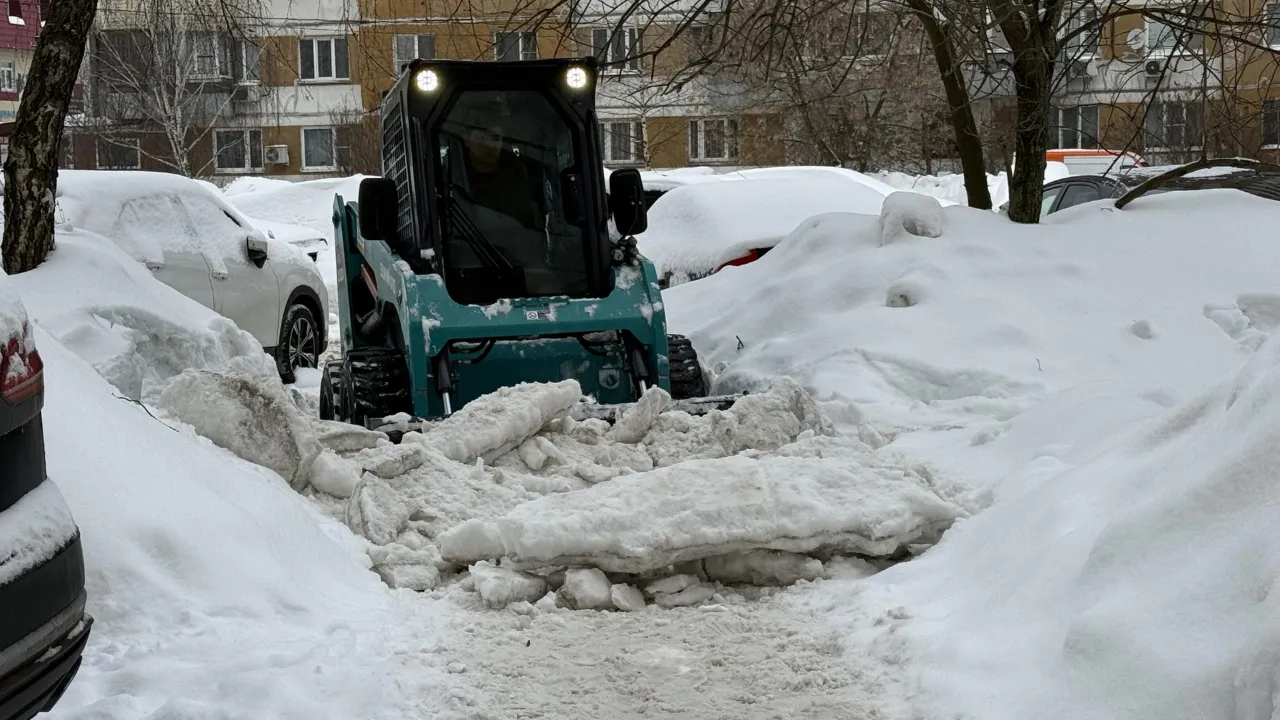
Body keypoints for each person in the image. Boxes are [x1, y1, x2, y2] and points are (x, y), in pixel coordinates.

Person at [455, 91, 544, 230]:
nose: (489, 145)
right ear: (467, 139)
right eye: (482, 138)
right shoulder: (452, 180)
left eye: (495, 138)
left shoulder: (525, 175)